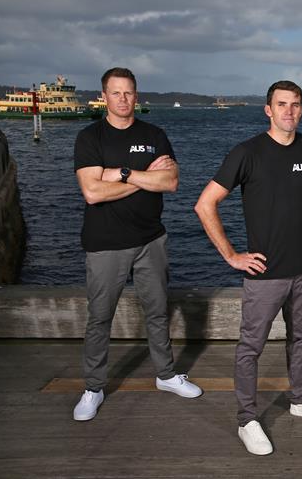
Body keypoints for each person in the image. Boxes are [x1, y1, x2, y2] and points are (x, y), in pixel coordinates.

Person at [195, 80, 302, 456]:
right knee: (250, 348)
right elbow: (205, 204)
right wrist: (231, 255)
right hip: (264, 275)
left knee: (300, 339)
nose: (289, 111)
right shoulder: (247, 153)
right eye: (282, 104)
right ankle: (247, 419)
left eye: (296, 104)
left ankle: (301, 399)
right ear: (268, 110)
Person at [72, 67, 202, 422]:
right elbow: (92, 192)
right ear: (104, 96)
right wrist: (146, 178)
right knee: (100, 317)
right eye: (116, 93)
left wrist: (123, 173)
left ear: (136, 94)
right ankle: (93, 387)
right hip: (105, 243)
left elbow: (172, 182)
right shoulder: (90, 137)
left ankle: (166, 375)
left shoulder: (154, 134)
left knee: (158, 311)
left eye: (128, 92)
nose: (123, 99)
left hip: (151, 240)